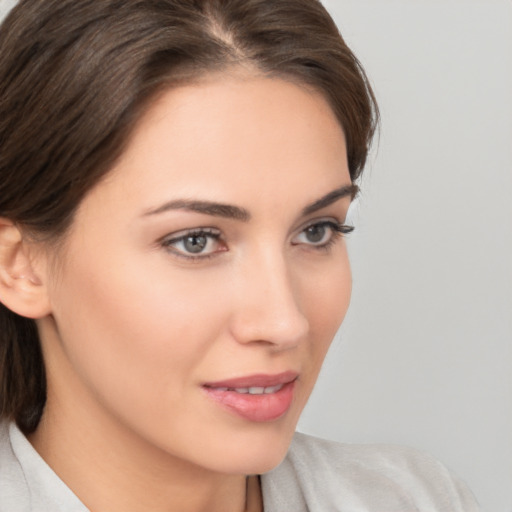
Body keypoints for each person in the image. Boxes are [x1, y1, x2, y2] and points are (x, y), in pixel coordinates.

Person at [0, 1, 479, 511]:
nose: (285, 322)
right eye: (196, 241)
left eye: (316, 231)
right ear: (20, 265)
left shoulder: (412, 499)